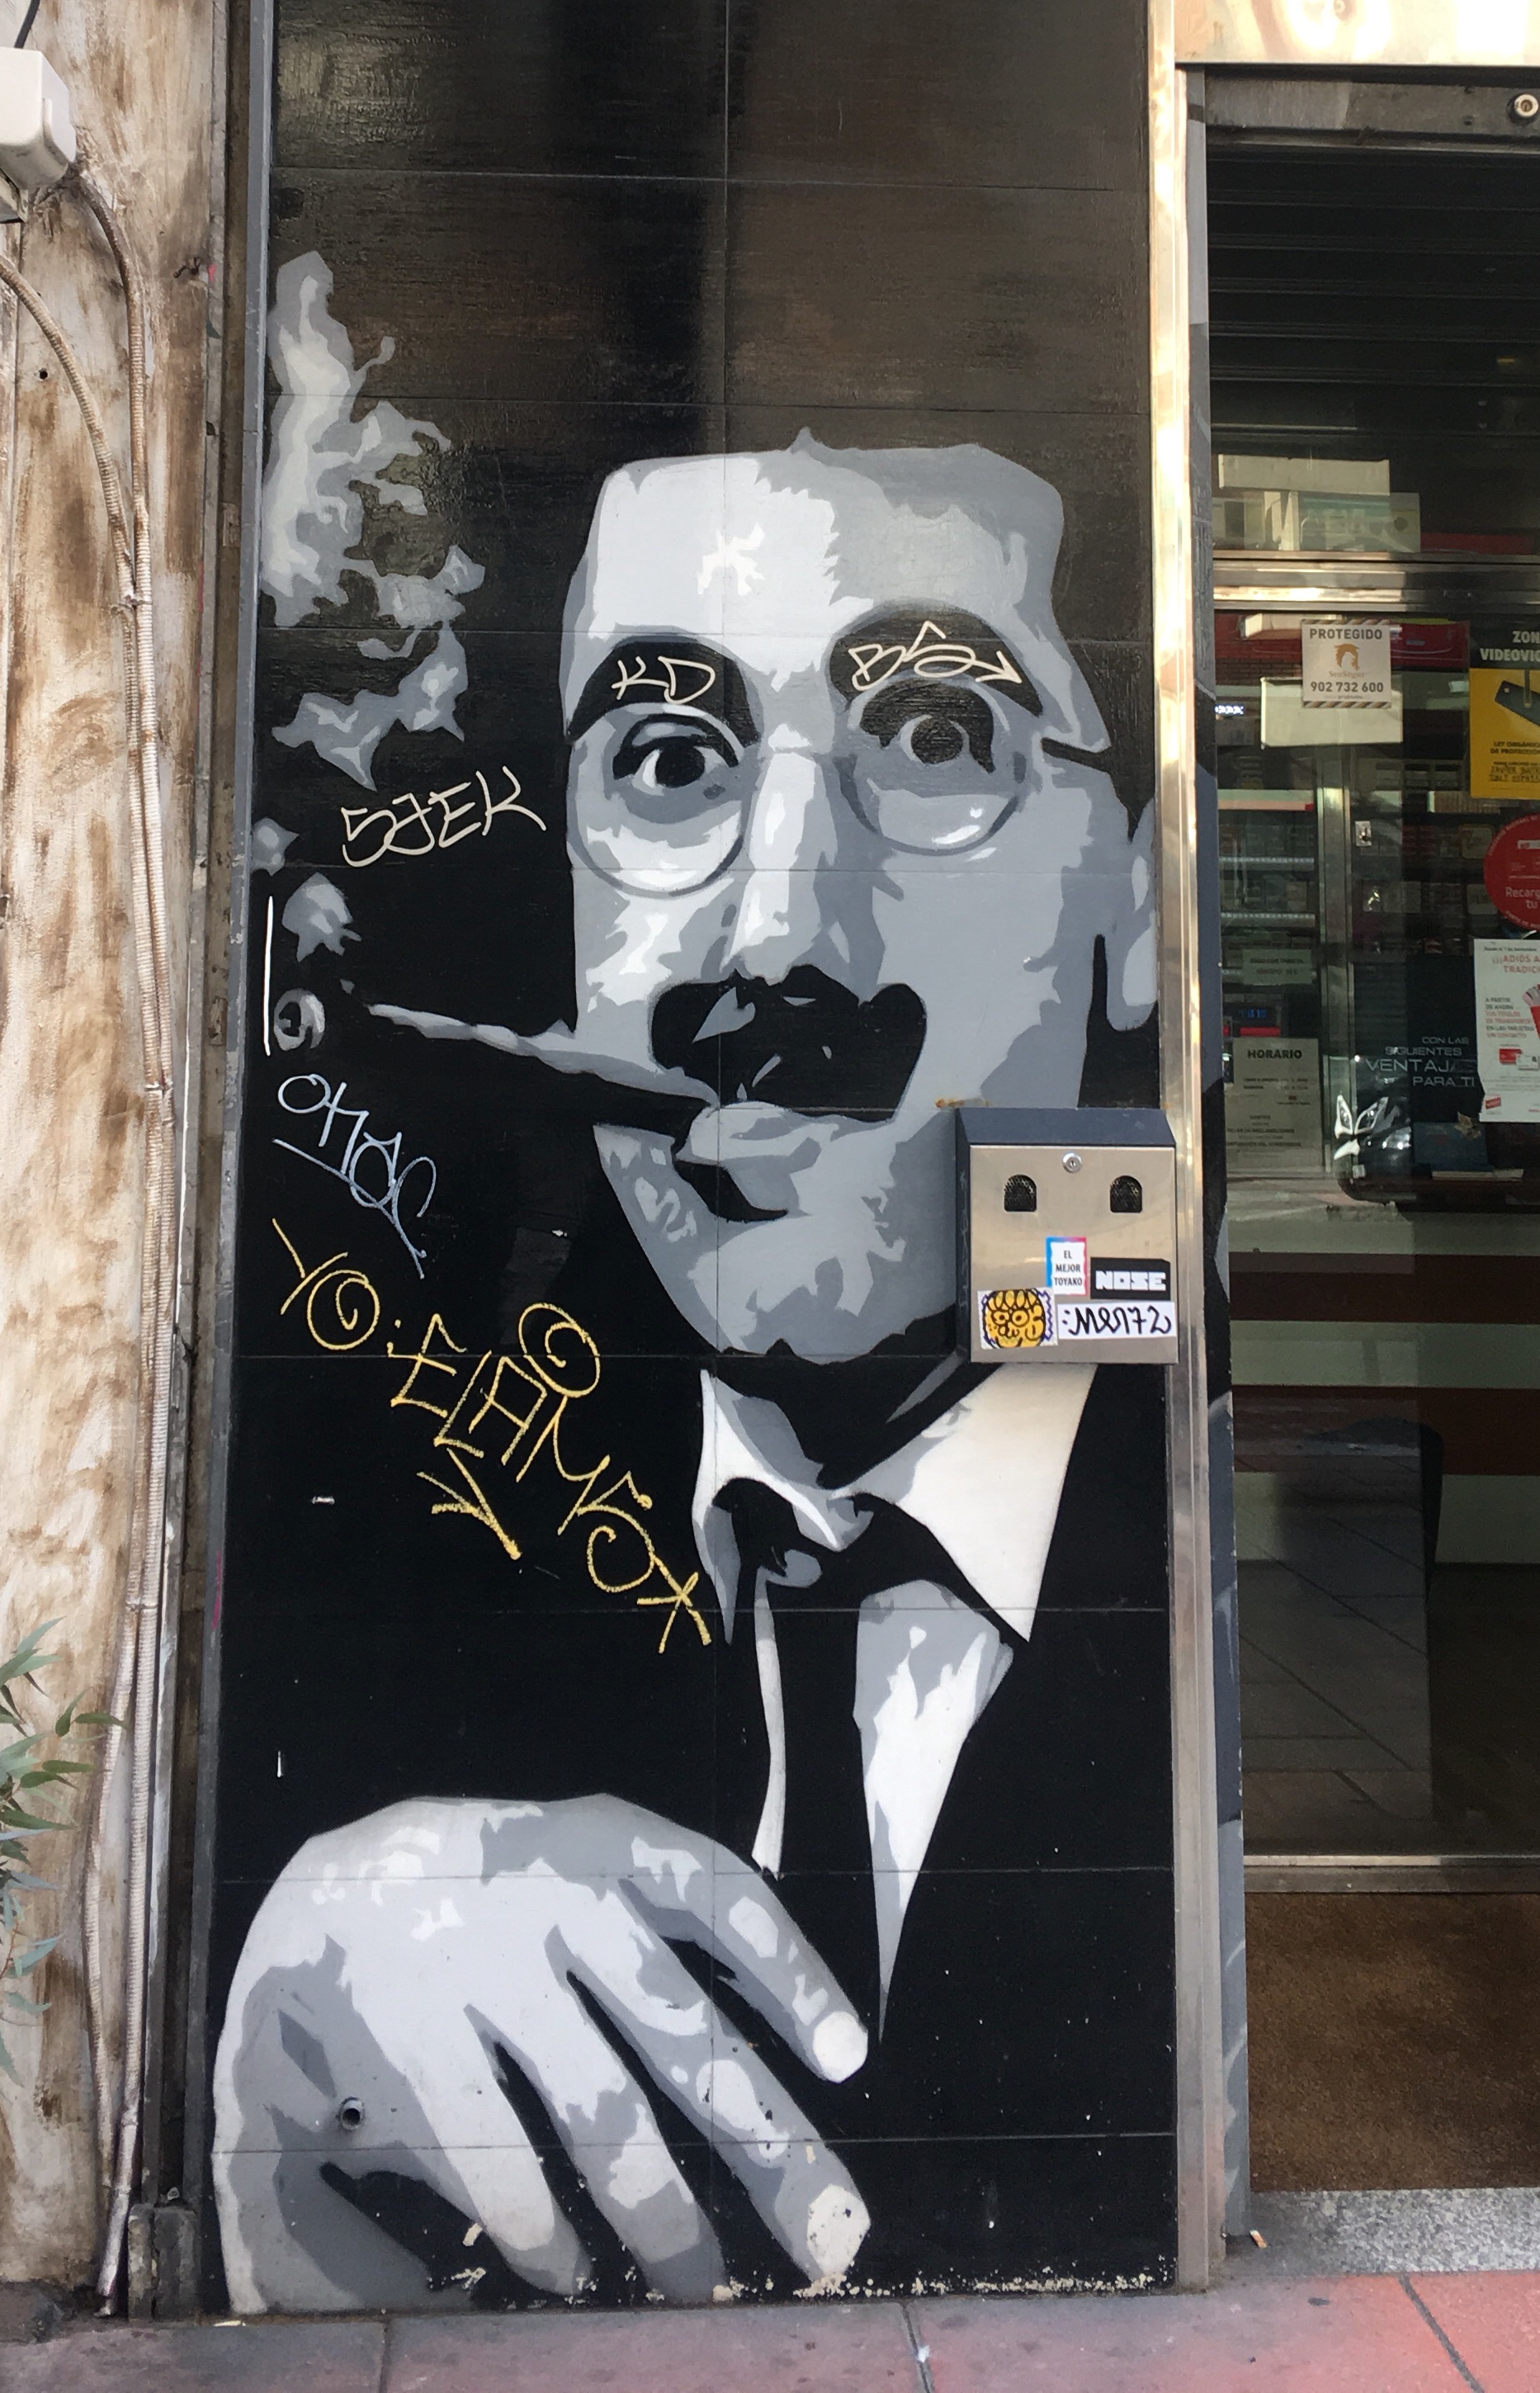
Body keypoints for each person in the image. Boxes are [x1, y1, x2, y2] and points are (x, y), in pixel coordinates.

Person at [214, 437, 1164, 2310]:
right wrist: (278, 2134)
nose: (778, 939)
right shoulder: (397, 1493)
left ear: (1137, 901)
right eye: (666, 762)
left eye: (938, 740)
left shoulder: (1204, 1565)